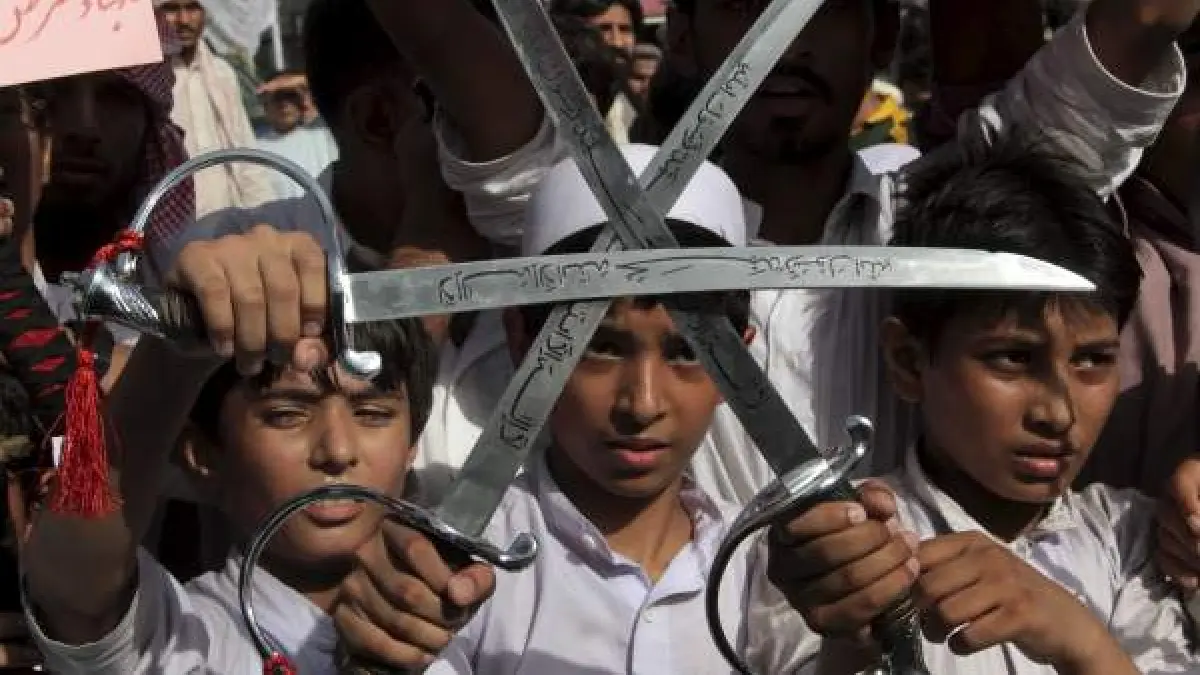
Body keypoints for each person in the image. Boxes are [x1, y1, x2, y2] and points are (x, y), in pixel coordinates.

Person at [378, 0, 1194, 507]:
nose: (787, 44)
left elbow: (1137, 29)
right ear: (685, 34)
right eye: (744, 6)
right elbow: (461, 63)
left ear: (879, 35)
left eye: (824, 9)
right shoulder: (609, 226)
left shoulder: (954, 225)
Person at [754, 137, 1195, 674]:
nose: (1057, 413)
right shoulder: (838, 555)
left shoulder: (1135, 543)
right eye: (1013, 358)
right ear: (909, 361)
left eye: (1092, 360)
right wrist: (851, 646)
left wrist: (1077, 639)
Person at [19, 225, 496, 672]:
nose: (337, 450)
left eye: (372, 414)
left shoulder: (465, 627)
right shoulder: (185, 640)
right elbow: (76, 587)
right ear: (202, 454)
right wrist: (176, 354)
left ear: (413, 443)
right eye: (286, 415)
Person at [425, 144, 789, 673]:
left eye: (687, 352)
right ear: (522, 341)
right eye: (600, 346)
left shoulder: (767, 570)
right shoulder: (458, 571)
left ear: (739, 364)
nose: (642, 404)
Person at [154, 0, 276, 217]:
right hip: (170, 221)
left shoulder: (221, 73)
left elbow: (244, 152)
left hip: (227, 218)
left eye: (193, 8)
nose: (183, 20)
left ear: (206, 13)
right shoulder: (148, 80)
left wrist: (265, 216)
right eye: (171, 9)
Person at [550, 0, 644, 141]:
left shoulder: (638, 104)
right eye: (604, 29)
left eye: (625, 29)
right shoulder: (555, 107)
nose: (617, 42)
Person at [255, 71, 340, 201]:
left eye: (290, 96)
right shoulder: (254, 146)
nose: (284, 104)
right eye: (277, 97)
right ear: (265, 104)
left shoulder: (325, 135)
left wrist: (291, 83)